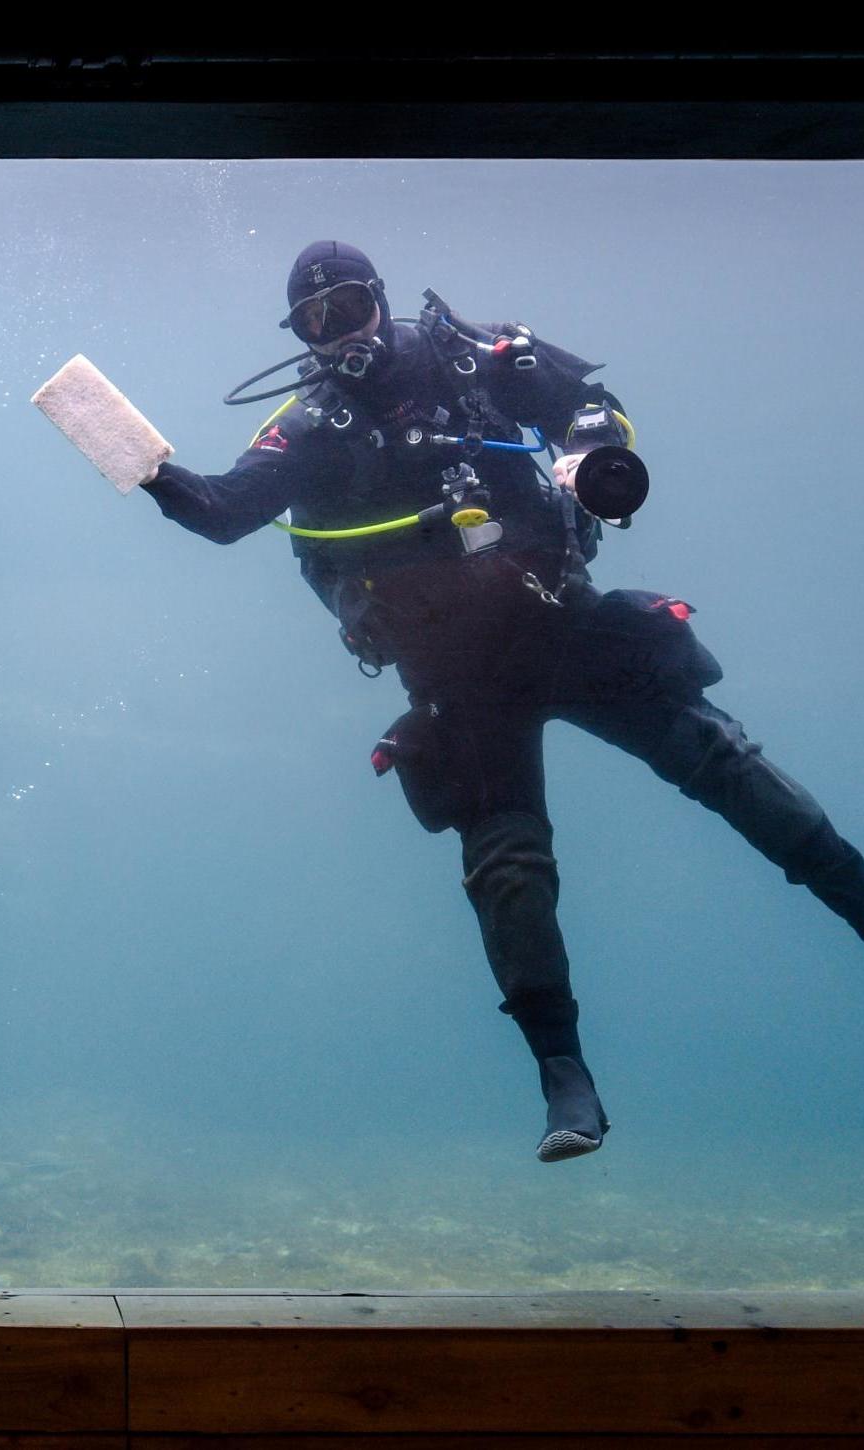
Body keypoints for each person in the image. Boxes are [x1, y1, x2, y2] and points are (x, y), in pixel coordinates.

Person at [139, 240, 864, 1162]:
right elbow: (222, 510)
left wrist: (587, 449)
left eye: (348, 308)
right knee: (508, 872)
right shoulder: (308, 424)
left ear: (380, 299)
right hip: (454, 674)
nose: (336, 334)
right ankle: (563, 1075)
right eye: (312, 323)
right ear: (298, 336)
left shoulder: (472, 354)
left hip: (561, 616)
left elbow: (591, 407)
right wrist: (139, 461)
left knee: (719, 760)